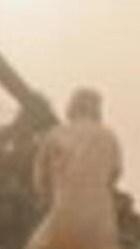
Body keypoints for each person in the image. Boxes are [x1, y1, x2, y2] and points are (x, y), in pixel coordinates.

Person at [25, 88, 123, 249]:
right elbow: (115, 174)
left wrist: (46, 200)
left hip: (65, 214)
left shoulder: (55, 134)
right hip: (101, 221)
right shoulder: (110, 137)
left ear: (72, 106)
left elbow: (40, 180)